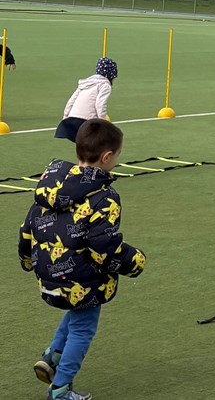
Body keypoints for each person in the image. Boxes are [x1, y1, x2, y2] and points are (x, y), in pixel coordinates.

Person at [18, 119, 147, 400]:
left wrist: (27, 261)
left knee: (78, 311)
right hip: (84, 278)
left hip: (48, 276)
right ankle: (60, 389)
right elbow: (103, 247)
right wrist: (134, 261)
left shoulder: (49, 186)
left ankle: (52, 357)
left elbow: (27, 229)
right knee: (83, 327)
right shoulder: (105, 196)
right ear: (107, 157)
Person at [55, 58, 118, 142]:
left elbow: (71, 101)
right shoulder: (105, 85)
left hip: (71, 120)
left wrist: (65, 118)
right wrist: (103, 124)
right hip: (87, 123)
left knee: (83, 146)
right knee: (104, 143)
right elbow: (100, 104)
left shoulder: (85, 83)